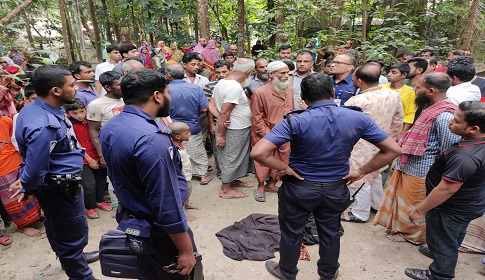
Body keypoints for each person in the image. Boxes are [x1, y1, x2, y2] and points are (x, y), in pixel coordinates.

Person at [250, 72, 401, 280]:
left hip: (299, 188)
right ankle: (328, 273)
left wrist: (284, 167)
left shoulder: (295, 121)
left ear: (302, 97)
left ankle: (287, 271)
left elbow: (258, 152)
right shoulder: (356, 117)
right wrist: (361, 171)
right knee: (330, 231)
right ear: (332, 92)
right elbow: (392, 149)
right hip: (335, 187)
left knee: (292, 231)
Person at [100, 68, 199, 279]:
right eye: (168, 93)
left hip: (133, 218)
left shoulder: (112, 125)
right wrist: (185, 249)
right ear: (157, 95)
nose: (169, 98)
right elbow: (166, 202)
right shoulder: (152, 139)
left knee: (149, 271)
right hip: (159, 230)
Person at [10, 65, 96, 279]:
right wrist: (29, 184)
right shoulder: (43, 126)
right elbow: (37, 162)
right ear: (56, 91)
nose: (76, 89)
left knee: (61, 227)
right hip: (60, 186)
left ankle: (72, 258)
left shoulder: (37, 108)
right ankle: (80, 273)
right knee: (70, 230)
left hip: (61, 182)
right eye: (72, 85)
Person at [373, 72, 461, 244]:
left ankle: (414, 235)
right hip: (411, 165)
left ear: (431, 91)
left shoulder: (444, 115)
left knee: (415, 203)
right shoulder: (431, 108)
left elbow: (449, 149)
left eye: (418, 88)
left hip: (424, 169)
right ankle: (403, 230)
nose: (415, 90)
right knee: (405, 200)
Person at [405, 101, 485, 280]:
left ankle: (439, 273)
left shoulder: (465, 156)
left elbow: (446, 189)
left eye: (456, 121)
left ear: (473, 128)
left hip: (450, 208)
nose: (450, 122)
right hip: (469, 204)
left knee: (441, 238)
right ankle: (443, 251)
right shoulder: (476, 144)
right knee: (453, 235)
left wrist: (419, 210)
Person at [341, 62, 404, 223]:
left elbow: (342, 127)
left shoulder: (357, 101)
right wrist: (390, 138)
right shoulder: (393, 95)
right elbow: (398, 119)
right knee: (374, 173)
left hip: (360, 146)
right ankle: (377, 204)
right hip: (383, 143)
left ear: (359, 81)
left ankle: (360, 213)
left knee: (358, 178)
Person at [251, 61, 294, 202]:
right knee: (262, 162)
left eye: (287, 73)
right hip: (265, 133)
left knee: (282, 159)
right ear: (271, 74)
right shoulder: (260, 92)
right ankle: (261, 186)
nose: (286, 76)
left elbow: (291, 111)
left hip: (285, 133)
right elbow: (257, 118)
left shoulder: (289, 89)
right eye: (282, 73)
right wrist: (270, 136)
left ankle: (271, 184)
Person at [213, 58, 255, 199]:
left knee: (234, 156)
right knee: (232, 157)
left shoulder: (222, 82)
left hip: (233, 127)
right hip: (235, 129)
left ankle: (233, 180)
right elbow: (225, 112)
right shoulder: (235, 87)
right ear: (248, 72)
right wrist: (221, 135)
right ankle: (225, 190)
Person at [166, 64, 211, 185]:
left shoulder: (166, 90)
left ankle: (179, 175)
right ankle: (203, 175)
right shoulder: (195, 88)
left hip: (171, 126)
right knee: (198, 149)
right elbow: (204, 108)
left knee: (176, 151)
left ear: (169, 76)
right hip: (192, 125)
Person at [65, 99, 109, 219]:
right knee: (89, 184)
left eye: (81, 111)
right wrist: (89, 159)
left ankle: (99, 201)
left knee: (101, 180)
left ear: (86, 109)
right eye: (75, 113)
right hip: (82, 158)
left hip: (98, 155)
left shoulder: (91, 122)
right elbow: (75, 144)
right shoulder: (69, 125)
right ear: (68, 113)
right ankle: (89, 207)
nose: (79, 115)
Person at [0, 114, 43, 236]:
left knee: (29, 192)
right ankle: (23, 226)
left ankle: (36, 217)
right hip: (2, 170)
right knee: (14, 200)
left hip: (17, 162)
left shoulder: (6, 121)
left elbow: (13, 138)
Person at [205, 60, 233, 178]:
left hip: (233, 122)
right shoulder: (210, 86)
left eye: (224, 72)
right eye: (218, 72)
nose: (221, 75)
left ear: (230, 70)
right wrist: (212, 124)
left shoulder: (236, 85)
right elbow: (209, 107)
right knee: (218, 148)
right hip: (217, 121)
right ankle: (221, 171)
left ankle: (232, 172)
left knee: (232, 148)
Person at [168, 121, 198, 221]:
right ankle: (182, 214)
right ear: (177, 136)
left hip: (187, 174)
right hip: (182, 177)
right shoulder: (174, 150)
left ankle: (186, 205)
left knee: (188, 190)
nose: (189, 133)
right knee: (181, 194)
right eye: (187, 132)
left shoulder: (180, 144)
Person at [382, 62, 417, 136]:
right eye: (389, 72)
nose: (389, 75)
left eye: (394, 72)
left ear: (403, 75)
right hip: (378, 125)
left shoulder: (411, 92)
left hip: (396, 129)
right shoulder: (381, 87)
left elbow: (410, 114)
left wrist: (402, 133)